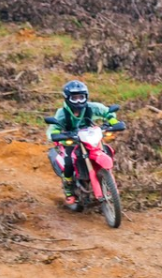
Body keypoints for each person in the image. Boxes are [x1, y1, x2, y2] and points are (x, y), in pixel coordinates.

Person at [45, 79, 122, 210]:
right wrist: (57, 134)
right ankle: (69, 189)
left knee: (107, 151)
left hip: (90, 139)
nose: (79, 101)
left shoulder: (92, 107)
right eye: (75, 98)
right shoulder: (62, 113)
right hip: (71, 141)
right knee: (68, 162)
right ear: (67, 98)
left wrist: (114, 122)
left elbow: (107, 112)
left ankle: (108, 183)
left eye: (81, 97)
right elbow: (53, 128)